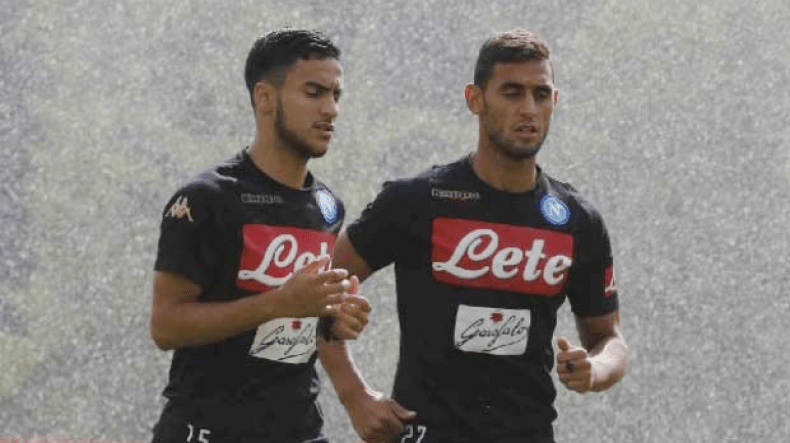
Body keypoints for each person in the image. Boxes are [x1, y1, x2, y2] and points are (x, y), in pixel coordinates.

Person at [319, 29, 629, 443]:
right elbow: (311, 292)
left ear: (554, 101)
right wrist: (355, 396)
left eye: (540, 94)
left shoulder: (578, 220)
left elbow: (609, 339)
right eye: (512, 93)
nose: (528, 109)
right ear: (475, 99)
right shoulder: (416, 200)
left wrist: (595, 370)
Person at [149, 29, 370, 443]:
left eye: (336, 95)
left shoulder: (328, 206)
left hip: (301, 430)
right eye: (314, 92)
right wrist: (278, 303)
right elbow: (166, 326)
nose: (331, 109)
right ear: (265, 98)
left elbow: (300, 320)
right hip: (208, 430)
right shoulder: (206, 198)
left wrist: (332, 319)